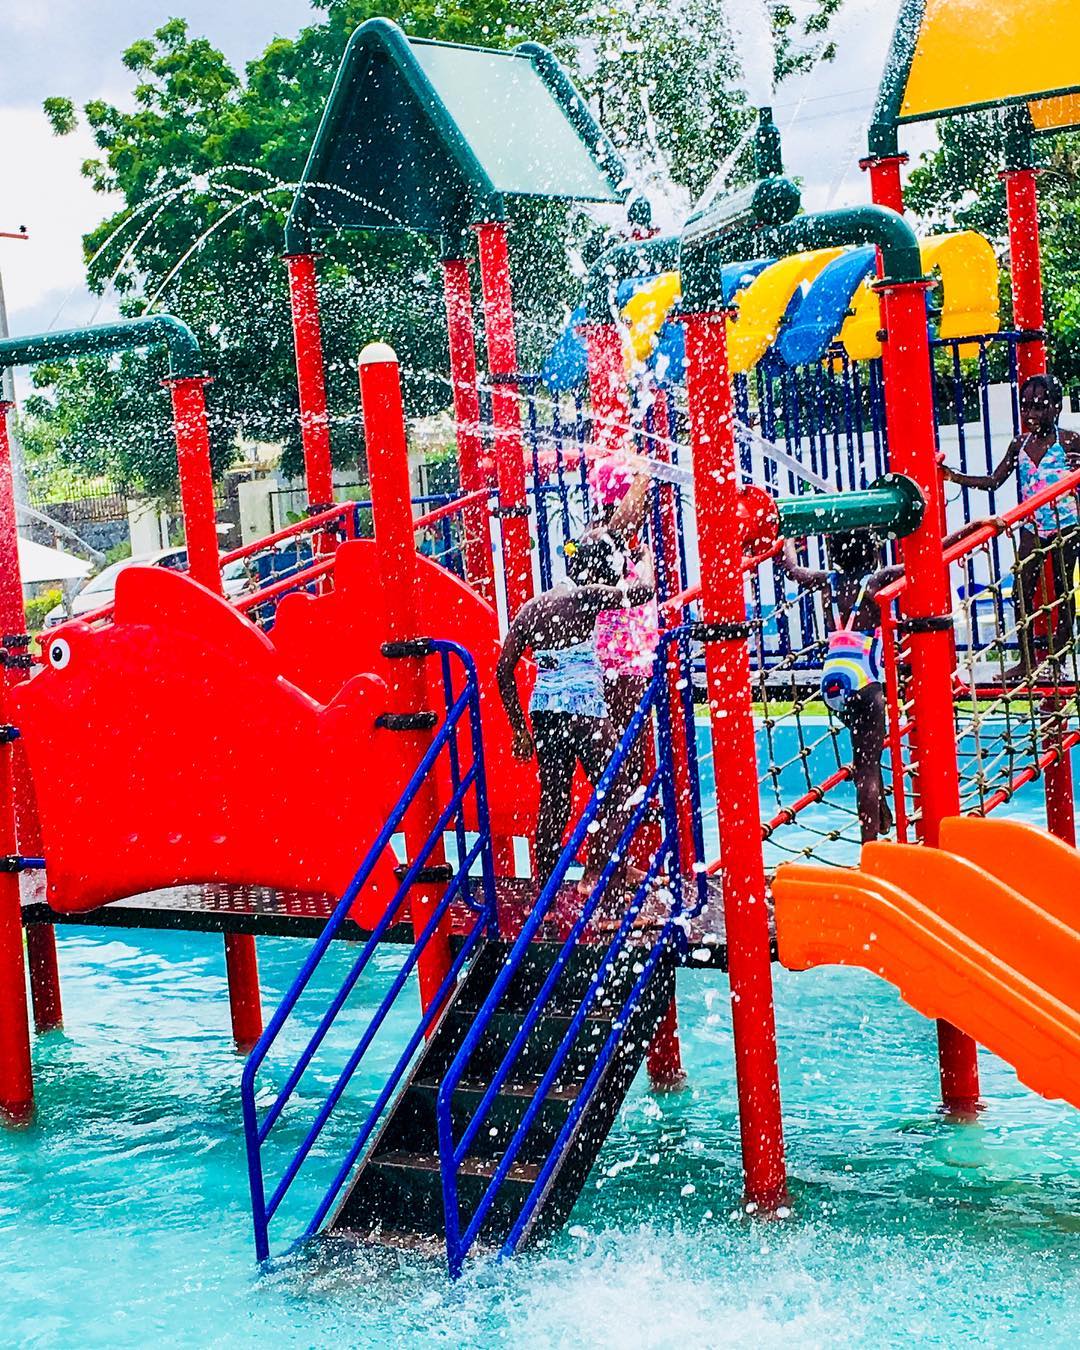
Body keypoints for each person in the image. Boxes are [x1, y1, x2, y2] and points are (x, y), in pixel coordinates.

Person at [496, 533, 652, 888]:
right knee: (617, 788)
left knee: (555, 798)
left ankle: (544, 892)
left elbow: (503, 671)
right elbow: (642, 593)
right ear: (598, 570)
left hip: (543, 708)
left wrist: (520, 729)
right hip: (583, 706)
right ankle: (607, 893)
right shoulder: (587, 595)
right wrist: (644, 559)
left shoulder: (531, 607)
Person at [941, 373, 1080, 670]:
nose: (1031, 414)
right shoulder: (1020, 445)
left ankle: (1059, 657)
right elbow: (994, 481)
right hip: (1032, 525)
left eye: (1040, 407)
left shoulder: (1070, 441)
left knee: (1062, 587)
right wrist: (953, 476)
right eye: (1026, 407)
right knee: (1021, 589)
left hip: (1066, 523)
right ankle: (1026, 658)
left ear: (1056, 408)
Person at [780, 529, 901, 843]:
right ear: (873, 553)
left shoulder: (827, 582)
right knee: (869, 765)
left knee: (864, 755)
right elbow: (927, 556)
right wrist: (975, 526)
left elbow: (793, 571)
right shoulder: (876, 582)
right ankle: (869, 844)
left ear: (833, 554)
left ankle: (880, 811)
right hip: (864, 679)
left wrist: (790, 537)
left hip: (833, 683)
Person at [588, 464, 660, 789]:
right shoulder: (604, 538)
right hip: (618, 663)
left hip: (629, 663)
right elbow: (643, 589)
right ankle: (613, 829)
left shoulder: (618, 541)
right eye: (642, 501)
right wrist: (644, 473)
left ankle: (615, 822)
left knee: (628, 761)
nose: (645, 508)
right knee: (624, 766)